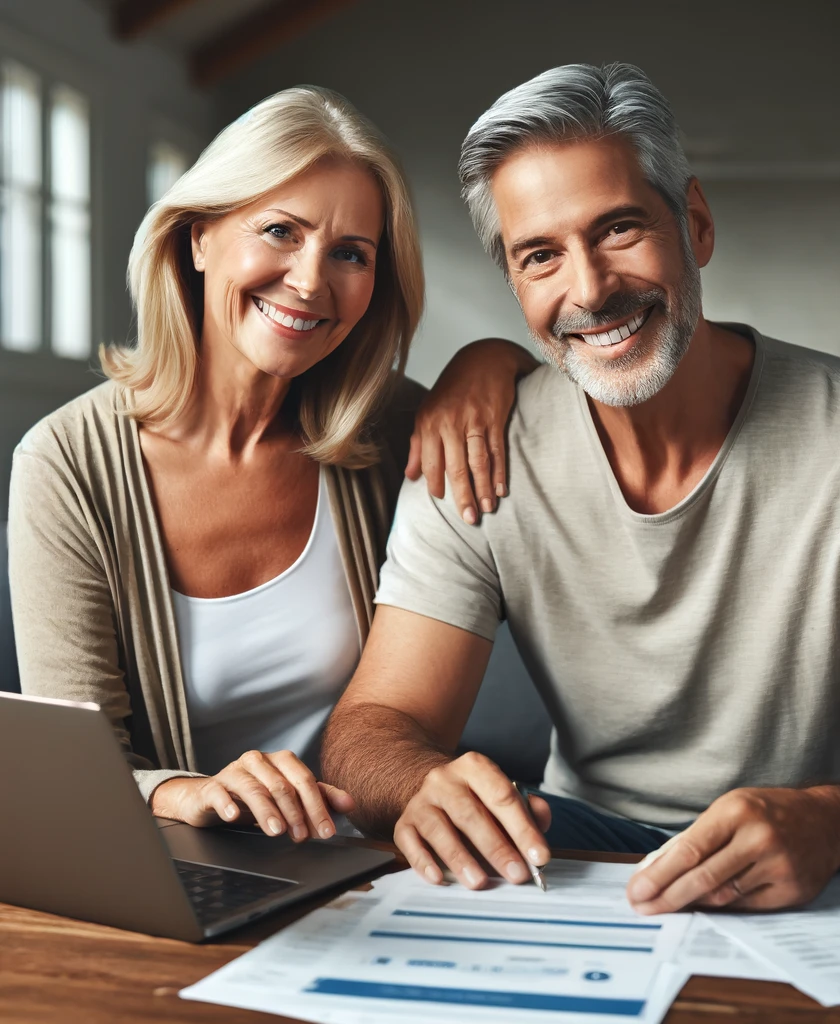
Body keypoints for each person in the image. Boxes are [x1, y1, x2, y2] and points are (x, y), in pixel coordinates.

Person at [321, 63, 840, 913]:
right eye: (540, 255)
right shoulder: (475, 449)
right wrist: (420, 780)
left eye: (619, 230)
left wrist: (838, 821)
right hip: (584, 856)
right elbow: (371, 727)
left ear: (694, 223)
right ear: (515, 283)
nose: (588, 289)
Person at [8, 86, 535, 844]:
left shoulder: (392, 433)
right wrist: (185, 792)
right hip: (178, 876)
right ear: (198, 239)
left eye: (350, 253)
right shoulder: (66, 463)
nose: (311, 281)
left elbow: (539, 405)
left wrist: (491, 358)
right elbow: (76, 773)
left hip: (373, 866)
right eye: (280, 231)